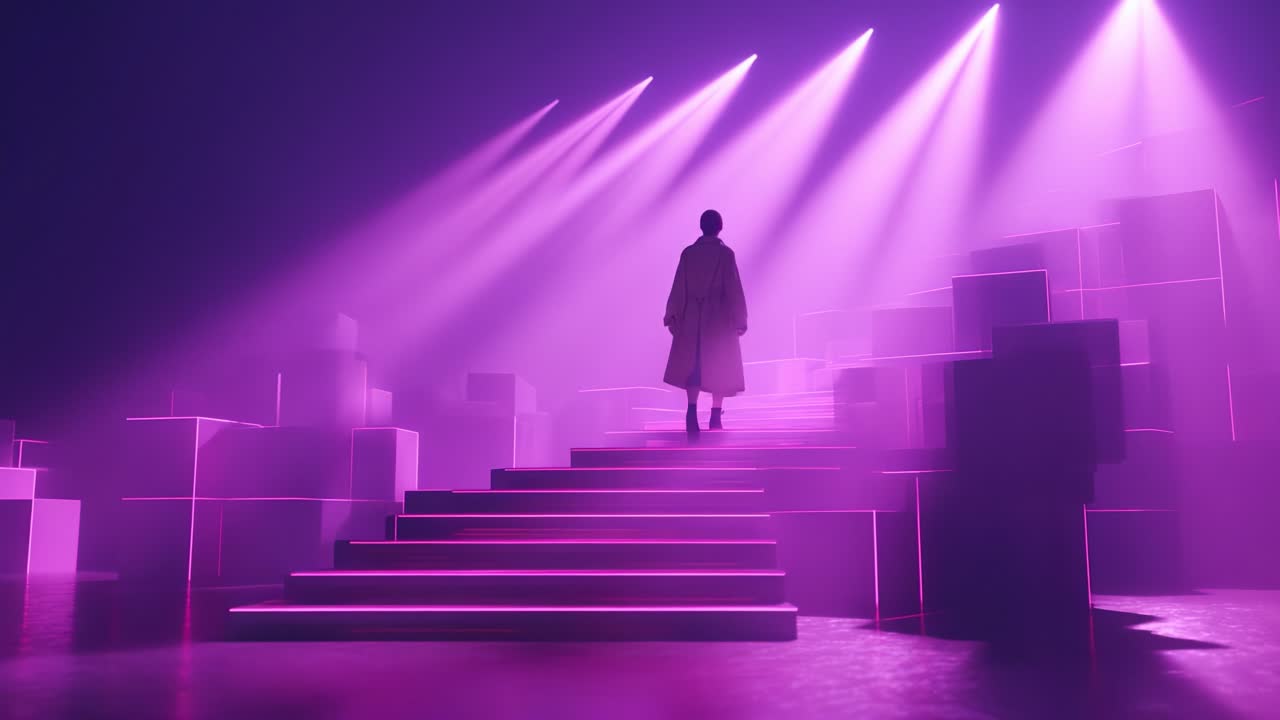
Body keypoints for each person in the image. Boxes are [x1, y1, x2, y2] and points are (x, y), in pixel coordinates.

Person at [663, 209, 748, 436]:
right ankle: (715, 415)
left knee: (694, 366)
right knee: (718, 366)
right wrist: (740, 319)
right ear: (720, 227)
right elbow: (733, 289)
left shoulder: (688, 254)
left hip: (692, 318)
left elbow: (679, 285)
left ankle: (691, 412)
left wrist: (673, 315)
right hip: (718, 320)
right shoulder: (725, 255)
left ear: (701, 227)